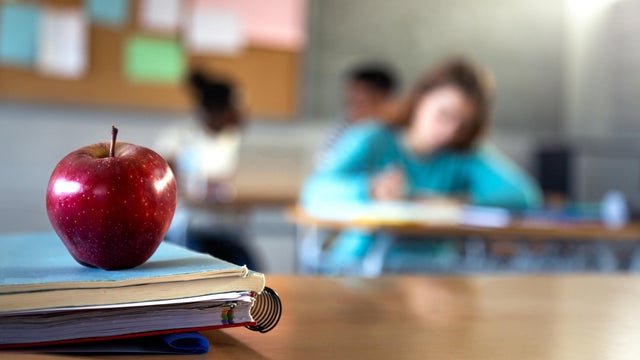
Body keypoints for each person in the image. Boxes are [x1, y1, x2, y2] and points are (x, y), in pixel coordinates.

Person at [301, 57, 542, 274]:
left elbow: (524, 195)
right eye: (444, 114)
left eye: (463, 124)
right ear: (421, 98)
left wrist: (458, 203)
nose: (450, 130)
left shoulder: (463, 154)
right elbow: (315, 191)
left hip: (434, 273)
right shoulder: (374, 138)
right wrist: (369, 189)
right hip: (361, 267)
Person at [156, 69, 259, 270]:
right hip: (191, 228)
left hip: (227, 229)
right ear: (217, 110)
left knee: (253, 272)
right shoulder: (179, 137)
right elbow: (164, 183)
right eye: (237, 107)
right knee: (202, 266)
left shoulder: (236, 141)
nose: (243, 114)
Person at [319, 63, 399, 159]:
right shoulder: (344, 128)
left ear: (385, 98)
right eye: (350, 102)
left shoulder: (397, 133)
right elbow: (325, 165)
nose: (353, 109)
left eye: (360, 102)